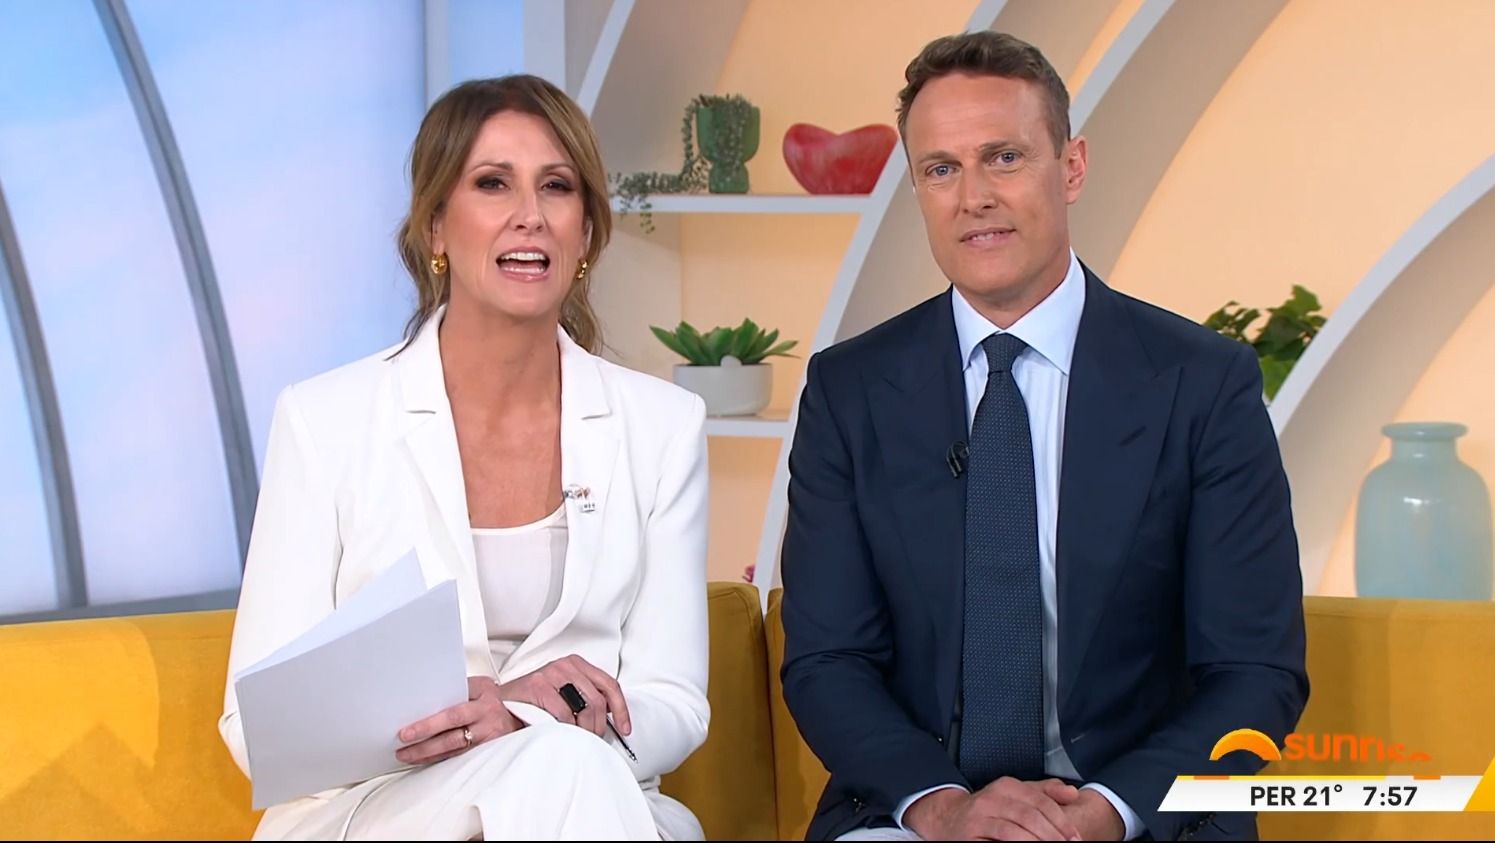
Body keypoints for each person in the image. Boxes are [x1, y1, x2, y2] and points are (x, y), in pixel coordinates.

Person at [779, 31, 1308, 842]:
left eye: (1003, 157)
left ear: (1071, 167)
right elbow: (827, 661)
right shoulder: (848, 391)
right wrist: (943, 806)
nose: (973, 197)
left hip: (1135, 814)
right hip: (916, 812)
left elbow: (1253, 672)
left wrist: (1106, 812)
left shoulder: (1202, 383)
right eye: (941, 169)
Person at [218, 75, 710, 841]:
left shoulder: (662, 426)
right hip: (386, 808)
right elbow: (255, 726)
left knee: (564, 766)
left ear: (585, 232)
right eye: (492, 184)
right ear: (435, 228)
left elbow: (674, 701)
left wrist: (523, 719)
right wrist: (482, 713)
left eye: (556, 187)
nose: (530, 214)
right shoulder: (325, 420)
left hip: (587, 792)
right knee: (565, 765)